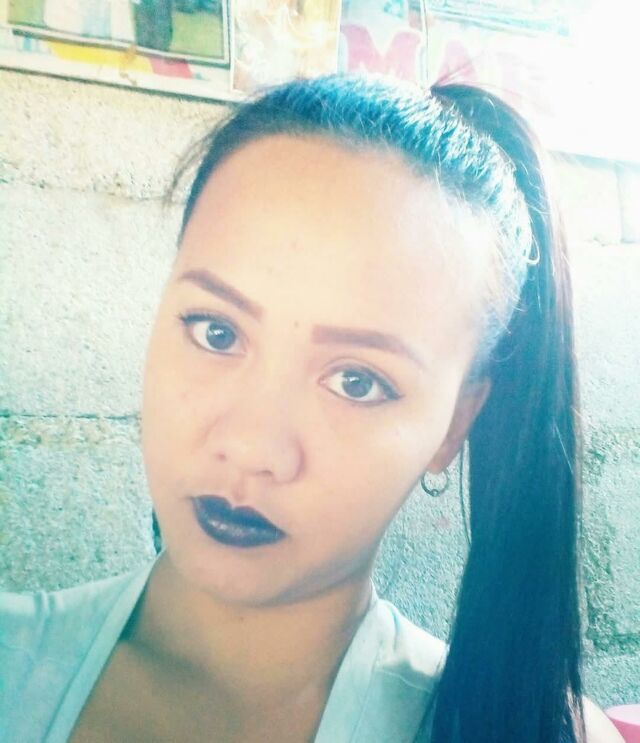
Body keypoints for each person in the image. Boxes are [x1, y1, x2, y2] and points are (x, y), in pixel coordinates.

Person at [0, 75, 623, 743]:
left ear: (455, 424)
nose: (251, 446)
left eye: (357, 380)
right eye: (217, 331)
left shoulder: (547, 732)